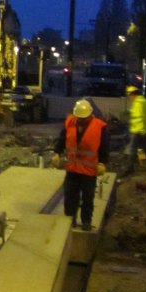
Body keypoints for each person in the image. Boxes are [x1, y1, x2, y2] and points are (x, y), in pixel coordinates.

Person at [51, 97, 109, 231]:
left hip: (89, 170)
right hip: (72, 169)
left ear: (90, 115)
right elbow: (62, 139)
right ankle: (69, 220)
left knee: (87, 198)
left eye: (83, 118)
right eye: (78, 118)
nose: (80, 121)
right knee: (70, 196)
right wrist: (56, 152)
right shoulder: (70, 123)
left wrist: (102, 162)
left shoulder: (100, 127)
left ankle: (86, 221)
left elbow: (104, 147)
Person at [125, 84, 146, 172]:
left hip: (138, 131)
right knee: (145, 149)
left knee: (132, 149)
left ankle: (130, 168)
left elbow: (139, 118)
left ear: (133, 94)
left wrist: (140, 131)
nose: (129, 97)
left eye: (129, 95)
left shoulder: (138, 103)